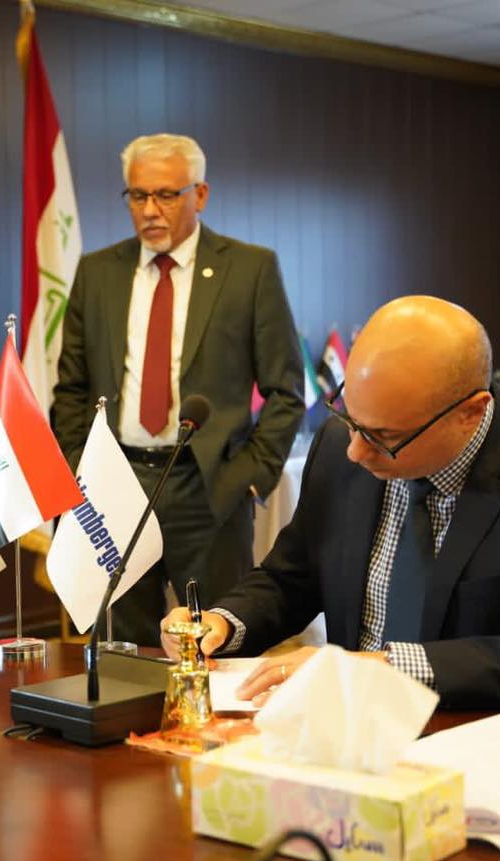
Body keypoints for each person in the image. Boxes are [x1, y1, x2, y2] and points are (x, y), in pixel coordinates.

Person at [160, 295, 500, 710]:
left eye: (383, 436)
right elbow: (293, 577)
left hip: (478, 732)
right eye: (351, 419)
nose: (356, 451)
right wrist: (223, 624)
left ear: (471, 412)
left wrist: (381, 668)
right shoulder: (339, 447)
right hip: (346, 730)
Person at [52, 133, 304, 646]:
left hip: (207, 487)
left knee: (215, 642)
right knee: (122, 646)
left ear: (200, 194)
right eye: (137, 195)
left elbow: (286, 390)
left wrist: (249, 477)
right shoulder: (97, 271)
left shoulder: (249, 269)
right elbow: (72, 387)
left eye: (166, 195)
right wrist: (81, 469)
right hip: (115, 484)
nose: (150, 210)